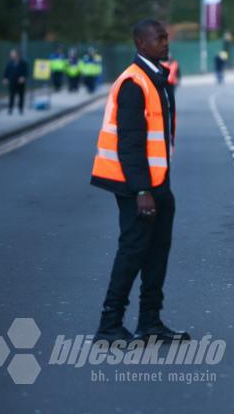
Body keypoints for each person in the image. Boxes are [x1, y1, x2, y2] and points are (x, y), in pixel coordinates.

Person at [91, 19, 189, 343]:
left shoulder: (156, 78)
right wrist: (142, 190)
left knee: (157, 253)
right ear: (140, 44)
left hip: (158, 183)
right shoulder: (134, 82)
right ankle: (110, 323)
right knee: (133, 251)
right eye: (158, 38)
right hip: (137, 186)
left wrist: (156, 187)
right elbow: (129, 144)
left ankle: (150, 321)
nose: (165, 42)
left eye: (165, 37)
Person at [3, 49, 28, 115]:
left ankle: (20, 109)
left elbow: (26, 72)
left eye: (16, 55)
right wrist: (5, 78)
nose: (15, 56)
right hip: (12, 81)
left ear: (19, 55)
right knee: (11, 95)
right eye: (14, 55)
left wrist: (23, 77)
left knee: (21, 96)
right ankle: (10, 108)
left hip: (20, 82)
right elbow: (7, 71)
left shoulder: (23, 63)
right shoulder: (10, 63)